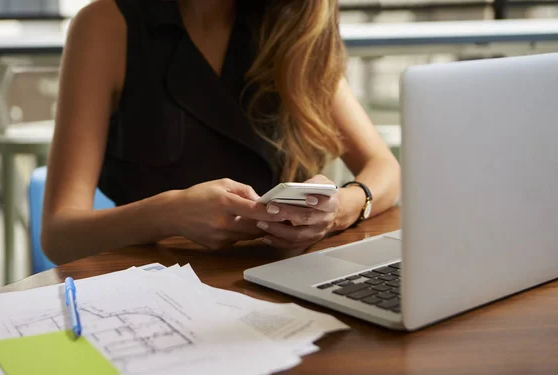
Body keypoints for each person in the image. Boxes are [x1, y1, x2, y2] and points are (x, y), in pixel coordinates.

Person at [42, 0, 401, 265]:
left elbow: (385, 167)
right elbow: (59, 236)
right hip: (152, 292)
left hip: (282, 284)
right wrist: (168, 213)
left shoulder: (289, 28)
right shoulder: (106, 25)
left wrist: (339, 207)